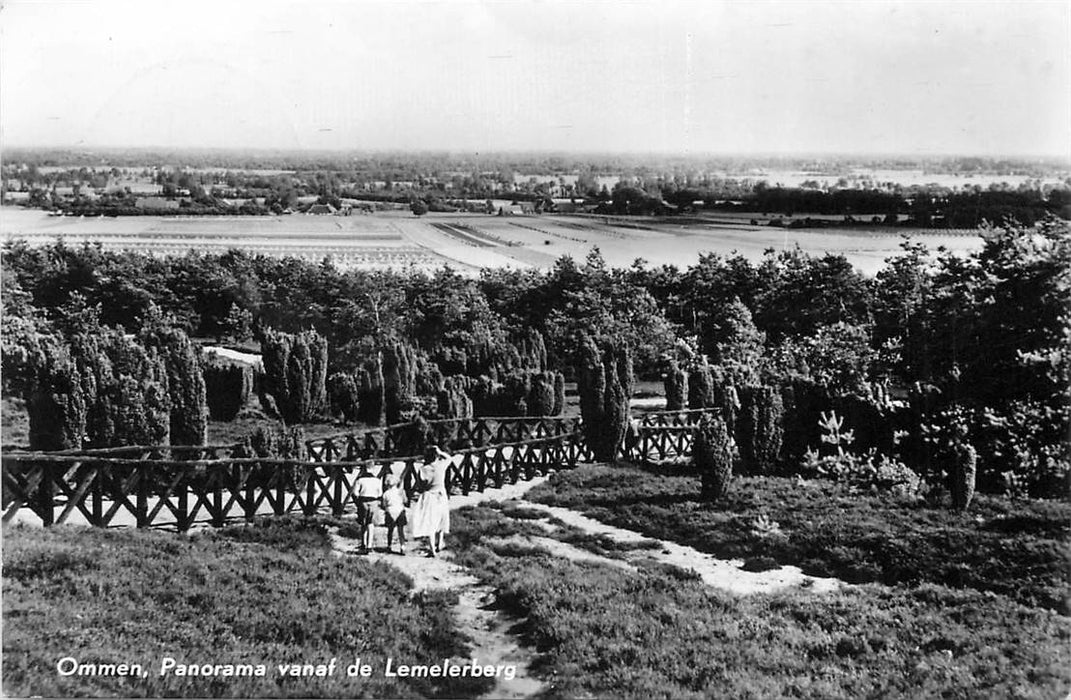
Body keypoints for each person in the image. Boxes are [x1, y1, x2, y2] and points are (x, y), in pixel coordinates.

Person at [410, 445, 451, 557]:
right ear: (436, 456)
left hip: (429, 495)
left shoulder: (423, 469)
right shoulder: (440, 466)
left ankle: (432, 548)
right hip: (441, 494)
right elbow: (449, 458)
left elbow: (420, 485)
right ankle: (440, 543)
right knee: (442, 518)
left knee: (430, 522)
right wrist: (440, 451)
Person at [354, 465, 383, 553]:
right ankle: (369, 545)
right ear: (373, 470)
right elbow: (380, 493)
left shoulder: (360, 480)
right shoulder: (377, 481)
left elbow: (355, 492)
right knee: (371, 524)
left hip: (363, 501)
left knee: (363, 523)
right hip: (374, 501)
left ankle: (363, 544)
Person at [381, 472, 408, 555]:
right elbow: (405, 501)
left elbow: (383, 504)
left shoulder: (386, 493)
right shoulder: (401, 492)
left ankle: (389, 545)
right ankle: (402, 546)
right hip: (399, 510)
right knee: (401, 530)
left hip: (390, 510)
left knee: (390, 530)